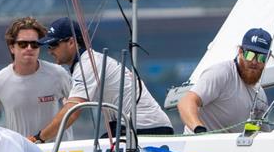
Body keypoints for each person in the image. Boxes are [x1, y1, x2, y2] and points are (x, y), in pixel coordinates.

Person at [29, 17, 174, 143]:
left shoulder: (88, 64)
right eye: (48, 46)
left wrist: (39, 138)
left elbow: (72, 112)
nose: (49, 51)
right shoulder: (87, 62)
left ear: (71, 42)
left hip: (147, 128)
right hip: (134, 127)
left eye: (54, 45)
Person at [0, 16, 73, 142]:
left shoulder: (58, 74)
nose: (29, 48)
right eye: (22, 44)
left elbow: (76, 108)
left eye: (35, 44)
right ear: (12, 48)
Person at [177, 27, 272, 133]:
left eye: (261, 58)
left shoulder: (261, 95)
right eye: (250, 55)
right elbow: (186, 102)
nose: (254, 62)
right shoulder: (221, 73)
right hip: (198, 146)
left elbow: (264, 134)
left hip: (230, 148)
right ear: (240, 52)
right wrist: (198, 129)